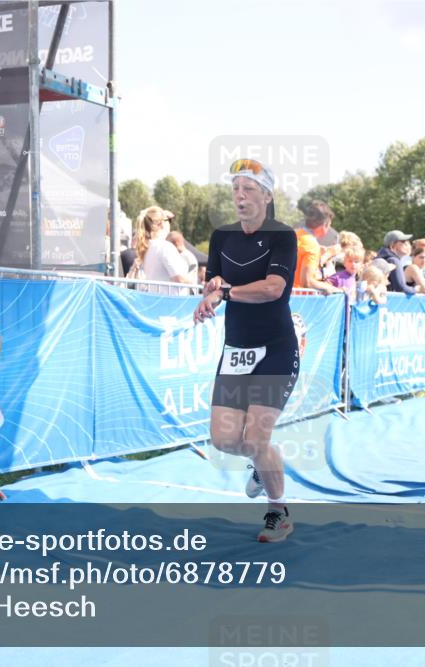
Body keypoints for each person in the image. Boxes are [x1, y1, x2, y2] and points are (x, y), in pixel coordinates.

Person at [193, 159, 298, 543]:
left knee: (255, 440)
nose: (239, 195)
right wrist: (210, 296)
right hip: (237, 347)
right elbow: (213, 285)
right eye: (235, 188)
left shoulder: (282, 235)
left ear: (267, 196)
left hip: (276, 348)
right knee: (223, 440)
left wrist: (225, 292)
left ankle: (279, 511)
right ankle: (263, 461)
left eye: (249, 189)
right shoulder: (221, 236)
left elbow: (273, 288)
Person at [133, 206, 193, 294]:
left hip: (158, 300)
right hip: (172, 302)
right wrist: (193, 282)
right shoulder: (165, 247)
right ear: (162, 223)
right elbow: (179, 278)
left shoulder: (147, 248)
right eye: (168, 220)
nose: (170, 223)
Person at [292, 201, 340, 294]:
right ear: (324, 225)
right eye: (329, 226)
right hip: (297, 301)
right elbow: (307, 282)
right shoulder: (311, 245)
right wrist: (335, 290)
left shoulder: (295, 235)